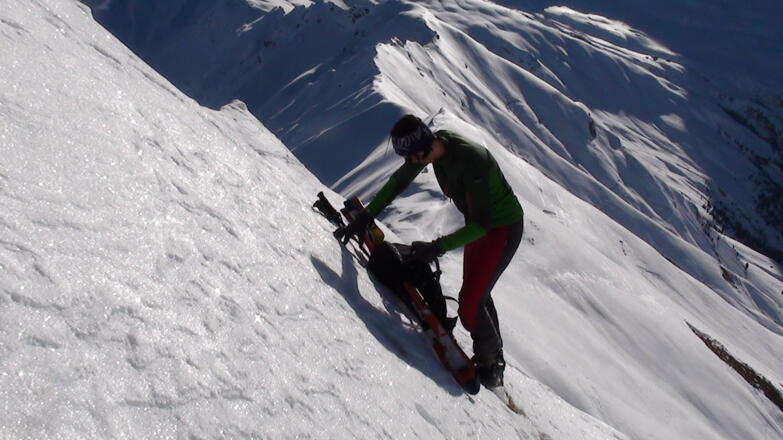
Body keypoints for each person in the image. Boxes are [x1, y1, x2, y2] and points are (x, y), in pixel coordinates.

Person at [339, 115, 524, 388]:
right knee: (475, 293)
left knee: (470, 305)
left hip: (501, 229)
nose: (410, 162)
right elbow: (399, 181)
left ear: (422, 148)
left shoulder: (470, 160)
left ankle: (492, 365)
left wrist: (436, 248)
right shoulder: (433, 150)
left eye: (411, 156)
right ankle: (492, 356)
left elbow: (482, 225)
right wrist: (368, 216)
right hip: (479, 226)